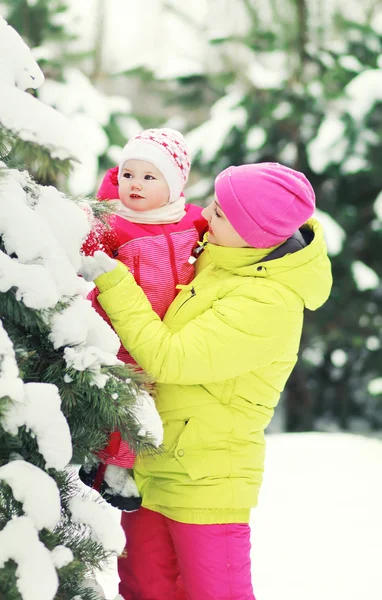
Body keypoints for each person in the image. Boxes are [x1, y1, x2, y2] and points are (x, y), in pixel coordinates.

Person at [80, 162, 333, 599]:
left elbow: (169, 359)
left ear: (252, 232)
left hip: (206, 480)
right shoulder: (223, 257)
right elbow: (158, 223)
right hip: (155, 464)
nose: (205, 217)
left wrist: (114, 282)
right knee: (144, 590)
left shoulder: (267, 301)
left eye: (219, 212)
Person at [80, 128, 207, 512]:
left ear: (174, 184)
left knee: (151, 398)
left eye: (149, 177)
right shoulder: (116, 222)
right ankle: (110, 468)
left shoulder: (193, 220)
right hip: (117, 327)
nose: (135, 185)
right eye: (128, 174)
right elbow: (85, 252)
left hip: (167, 330)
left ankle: (122, 463)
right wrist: (103, 204)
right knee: (124, 396)